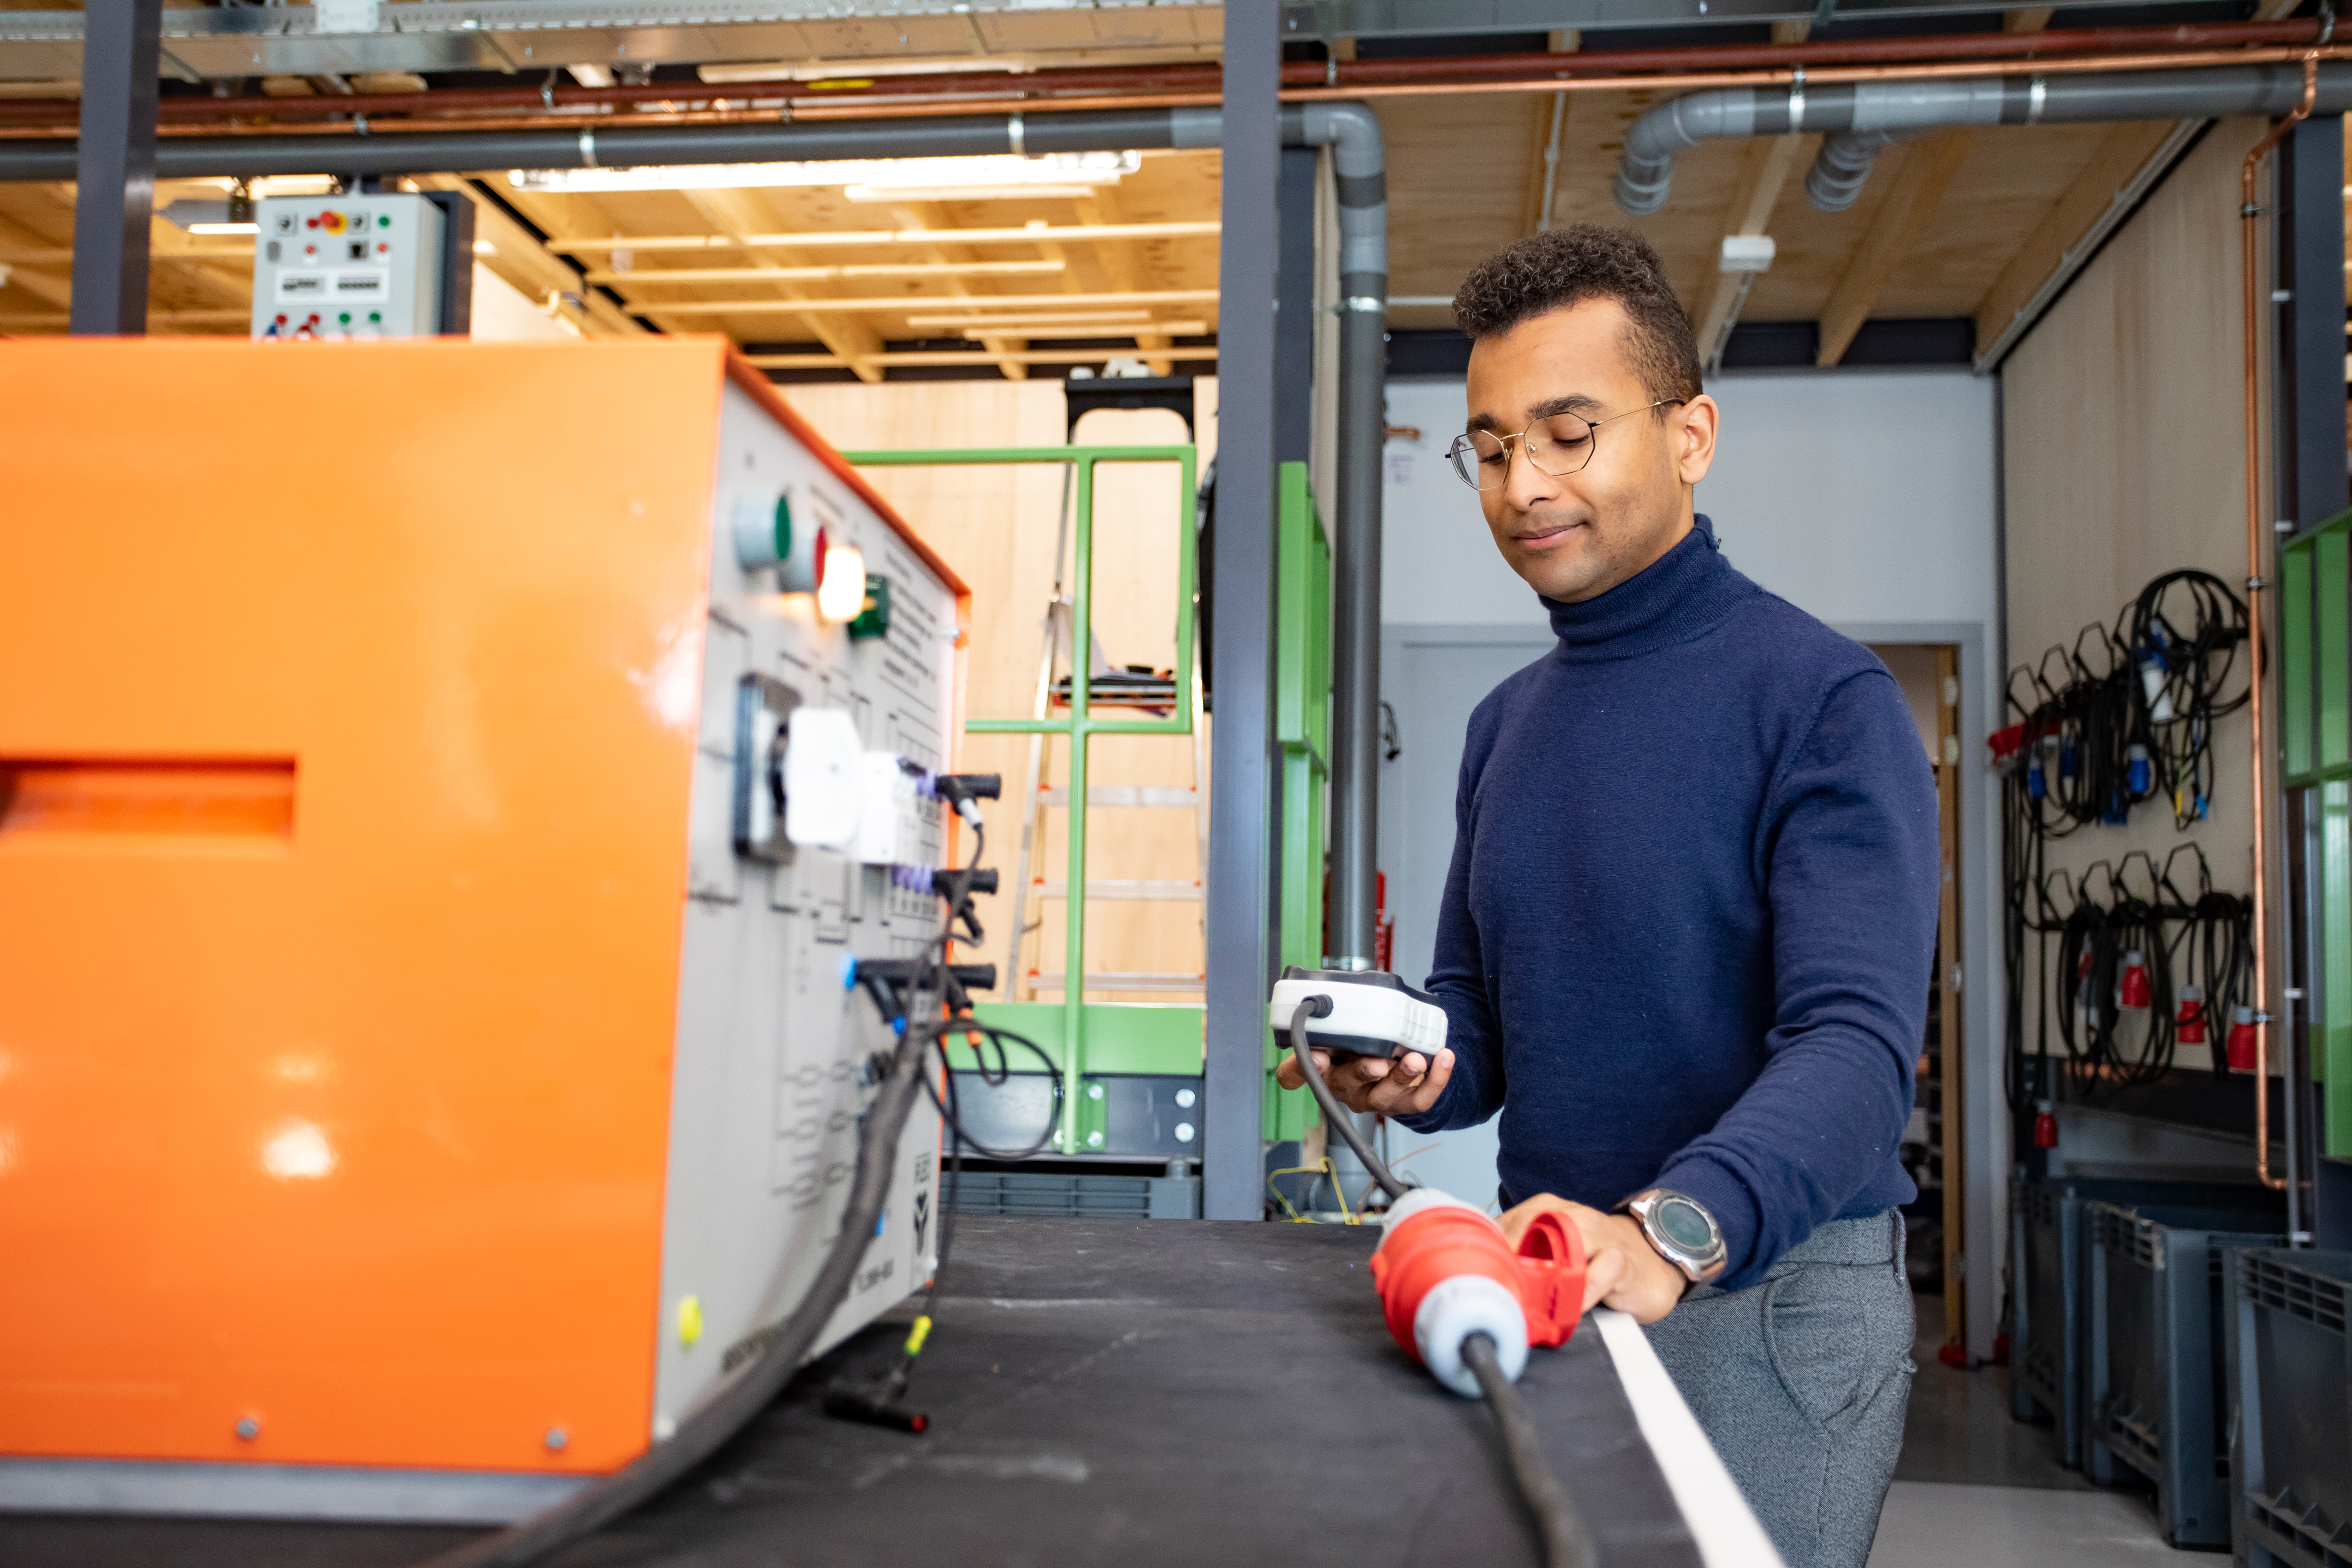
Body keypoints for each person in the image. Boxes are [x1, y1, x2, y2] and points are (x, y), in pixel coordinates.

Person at [1275, 224, 1938, 1568]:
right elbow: (1480, 1021)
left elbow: (1858, 1053)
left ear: (1691, 435)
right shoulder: (1505, 725)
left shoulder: (1823, 700)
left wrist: (1668, 1232)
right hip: (1557, 1268)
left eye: (1570, 434)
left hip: (1761, 1297)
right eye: (1492, 448)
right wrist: (1414, 1069)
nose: (1524, 484)